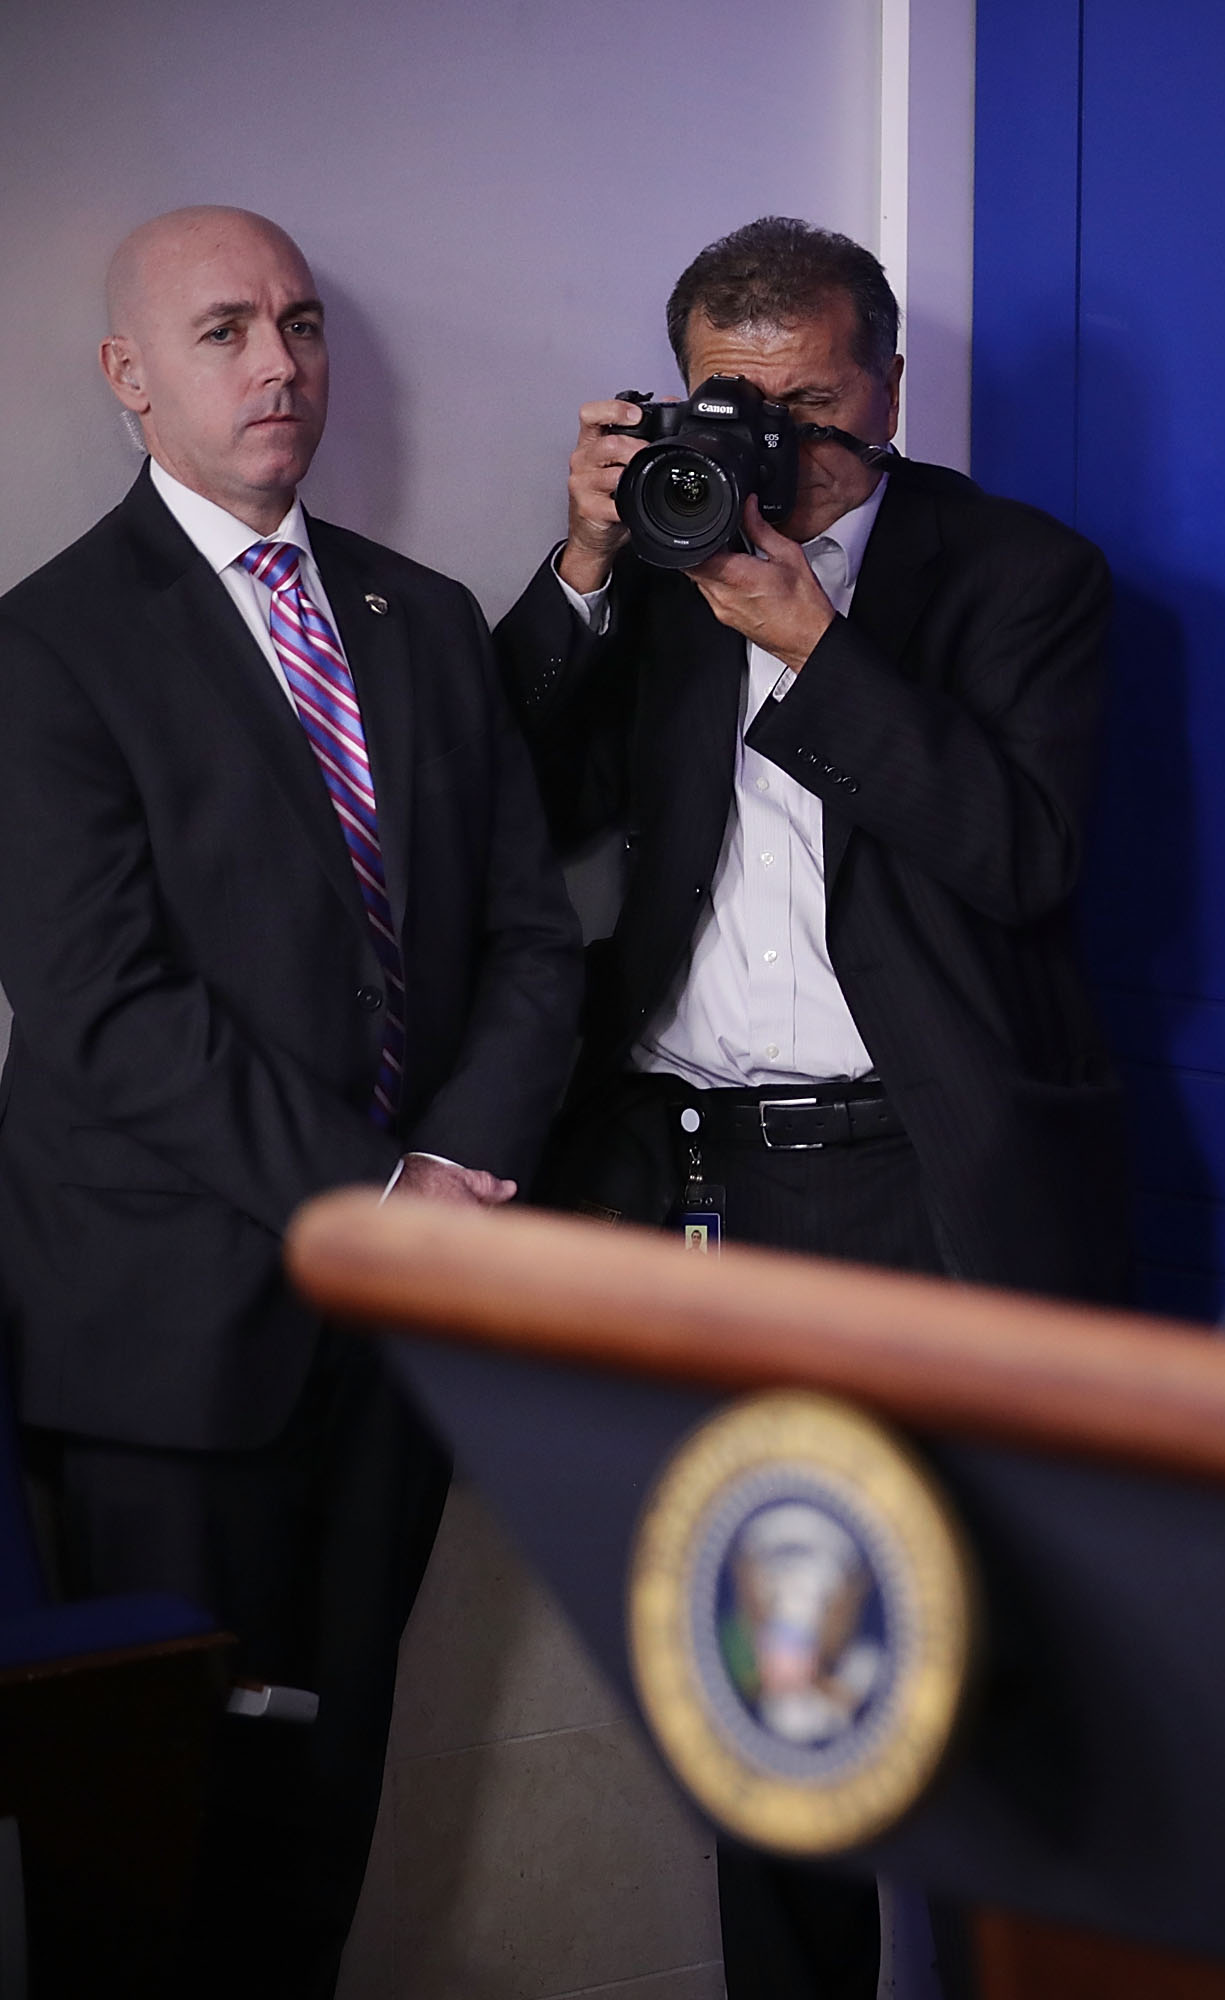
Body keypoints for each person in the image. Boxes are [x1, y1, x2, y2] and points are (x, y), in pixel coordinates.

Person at [489, 216, 1127, 2000]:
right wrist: (587, 563)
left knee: (983, 1671)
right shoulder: (667, 546)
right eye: (733, 403)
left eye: (815, 408)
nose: (772, 445)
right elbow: (505, 806)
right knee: (767, 1697)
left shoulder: (1022, 575)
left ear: (893, 390)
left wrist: (815, 641)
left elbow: (1022, 855)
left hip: (919, 1186)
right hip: (698, 1191)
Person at [0, 207, 583, 1996]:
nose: (279, 363)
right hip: (169, 1347)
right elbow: (104, 1012)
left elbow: (530, 939)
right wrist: (387, 1196)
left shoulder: (422, 619)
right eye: (226, 330)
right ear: (130, 376)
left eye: (303, 324)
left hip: (395, 1346)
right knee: (152, 1848)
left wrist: (455, 1167)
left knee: (325, 1808)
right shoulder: (45, 649)